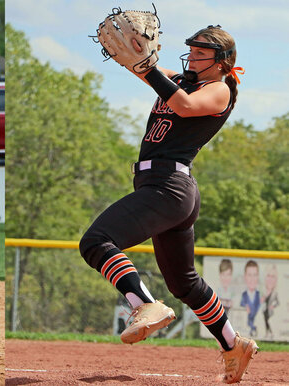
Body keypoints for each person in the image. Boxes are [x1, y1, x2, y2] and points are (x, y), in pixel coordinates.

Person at [79, 25, 256, 383]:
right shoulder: (183, 79)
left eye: (200, 53)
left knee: (95, 241)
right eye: (190, 50)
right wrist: (130, 54)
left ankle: (144, 304)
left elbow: (184, 105)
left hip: (169, 186)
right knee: (185, 284)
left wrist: (146, 67)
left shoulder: (219, 89)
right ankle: (233, 344)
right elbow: (147, 72)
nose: (190, 57)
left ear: (222, 61)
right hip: (165, 188)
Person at [239, 260, 261, 337]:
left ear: (258, 276)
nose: (252, 278)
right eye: (249, 275)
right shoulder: (242, 296)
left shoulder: (260, 296)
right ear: (245, 277)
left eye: (255, 275)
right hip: (243, 331)